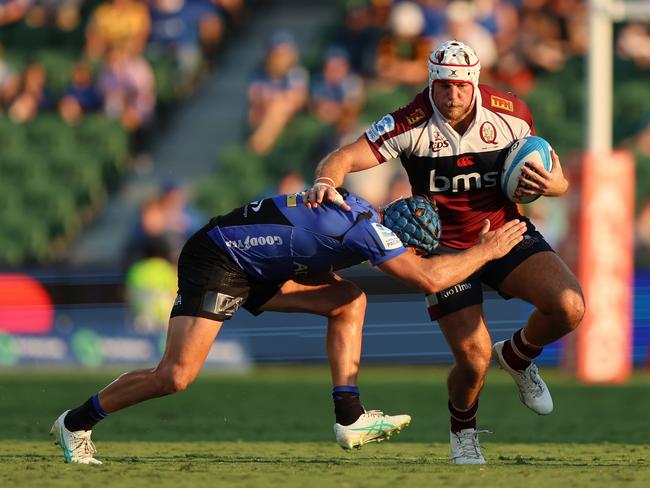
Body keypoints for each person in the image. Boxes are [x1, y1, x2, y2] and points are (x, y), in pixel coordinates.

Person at [51, 189, 527, 464]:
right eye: (414, 250)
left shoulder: (366, 213)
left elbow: (302, 232)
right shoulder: (370, 231)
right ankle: (75, 423)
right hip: (220, 258)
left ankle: (349, 418)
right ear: (406, 240)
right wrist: (487, 251)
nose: (411, 258)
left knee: (347, 299)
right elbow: (428, 278)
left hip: (256, 262)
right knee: (174, 376)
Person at [304, 40, 585, 464]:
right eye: (443, 87)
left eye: (460, 86)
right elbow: (342, 157)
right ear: (430, 83)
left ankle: (519, 355)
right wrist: (327, 181)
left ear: (474, 82)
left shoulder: (512, 113)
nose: (452, 95)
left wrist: (554, 186)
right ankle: (464, 434)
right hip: (445, 251)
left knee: (569, 307)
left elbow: (556, 178)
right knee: (473, 361)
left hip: (504, 233)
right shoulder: (408, 122)